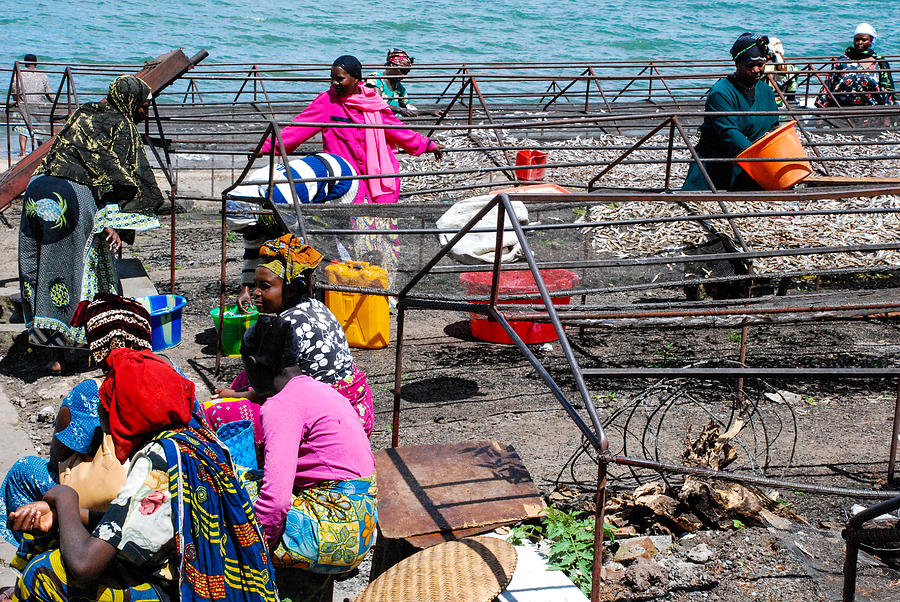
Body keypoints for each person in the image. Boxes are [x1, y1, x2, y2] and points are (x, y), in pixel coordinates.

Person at [5, 347, 278, 602]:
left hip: (177, 587)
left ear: (126, 413)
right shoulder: (195, 438)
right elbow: (132, 521)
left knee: (43, 575)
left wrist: (65, 497)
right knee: (52, 531)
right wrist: (68, 515)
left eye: (106, 407)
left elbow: (83, 566)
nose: (103, 421)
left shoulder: (155, 461)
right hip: (191, 565)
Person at [259, 55, 444, 289]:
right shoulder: (327, 102)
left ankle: (382, 290)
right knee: (347, 237)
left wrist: (427, 144)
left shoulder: (373, 102)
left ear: (356, 80)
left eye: (340, 79)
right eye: (332, 79)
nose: (334, 84)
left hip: (379, 180)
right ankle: (349, 287)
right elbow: (297, 130)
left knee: (381, 240)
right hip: (347, 183)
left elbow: (397, 130)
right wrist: (265, 147)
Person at [18, 74, 163, 373]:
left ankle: (48, 353)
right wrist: (111, 223)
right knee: (72, 270)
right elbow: (118, 179)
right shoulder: (122, 126)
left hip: (38, 187)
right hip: (72, 193)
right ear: (131, 102)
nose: (146, 111)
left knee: (38, 268)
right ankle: (74, 351)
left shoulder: (85, 112)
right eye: (145, 105)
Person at [0, 294, 153, 546]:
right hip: (163, 482)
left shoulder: (91, 392)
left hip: (114, 495)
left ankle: (38, 555)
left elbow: (57, 458)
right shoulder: (178, 380)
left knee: (24, 470)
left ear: (97, 346)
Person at [241, 314, 377, 575]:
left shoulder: (281, 405)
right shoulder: (322, 390)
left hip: (332, 535)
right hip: (363, 529)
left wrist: (255, 553)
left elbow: (276, 501)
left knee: (229, 484)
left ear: (253, 363)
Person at [210, 235, 374, 438]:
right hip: (356, 404)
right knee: (246, 375)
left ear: (292, 289)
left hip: (331, 418)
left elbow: (274, 389)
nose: (256, 293)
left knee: (221, 413)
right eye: (256, 285)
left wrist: (234, 396)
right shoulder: (315, 306)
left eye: (265, 286)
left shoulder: (287, 325)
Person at [682, 33, 780, 191]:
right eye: (750, 65)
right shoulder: (721, 92)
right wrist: (759, 163)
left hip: (754, 166)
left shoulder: (766, 91)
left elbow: (774, 126)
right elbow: (730, 134)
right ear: (738, 63)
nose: (756, 70)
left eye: (761, 64)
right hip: (717, 168)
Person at [815, 23, 896, 108]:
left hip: (872, 108)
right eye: (857, 39)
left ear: (871, 41)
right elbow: (829, 84)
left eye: (864, 40)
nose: (860, 43)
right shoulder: (841, 61)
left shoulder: (879, 63)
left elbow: (887, 88)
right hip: (841, 107)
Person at [11, 54, 53, 157]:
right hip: (40, 104)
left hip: (25, 104)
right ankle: (39, 153)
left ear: (25, 62)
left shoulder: (20, 74)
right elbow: (49, 92)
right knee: (40, 130)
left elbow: (15, 89)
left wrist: (16, 99)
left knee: (23, 128)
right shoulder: (43, 75)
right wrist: (55, 102)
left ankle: (23, 152)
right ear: (36, 63)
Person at [366, 48, 419, 117]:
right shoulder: (376, 80)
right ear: (392, 65)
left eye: (406, 72)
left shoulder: (398, 87)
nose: (403, 75)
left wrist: (430, 112)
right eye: (402, 71)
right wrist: (399, 110)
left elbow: (408, 107)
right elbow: (377, 103)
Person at [764, 37, 798, 108]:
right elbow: (791, 95)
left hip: (762, 105)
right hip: (780, 106)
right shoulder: (792, 68)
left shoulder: (763, 68)